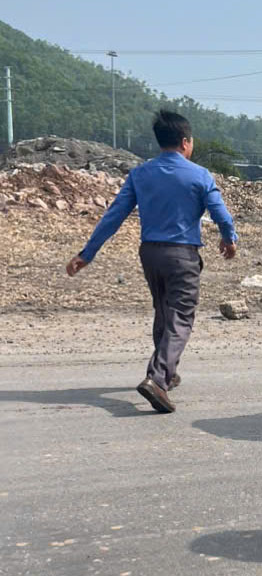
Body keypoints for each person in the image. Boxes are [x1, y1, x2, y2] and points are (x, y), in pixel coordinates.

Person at [65, 110, 238, 413]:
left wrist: (87, 254)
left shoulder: (140, 174)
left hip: (150, 253)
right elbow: (221, 215)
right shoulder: (200, 175)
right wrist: (229, 238)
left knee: (164, 311)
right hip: (182, 254)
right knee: (180, 317)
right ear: (185, 142)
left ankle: (167, 373)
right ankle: (157, 379)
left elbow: (114, 216)